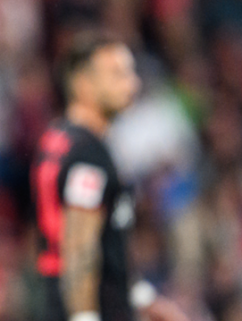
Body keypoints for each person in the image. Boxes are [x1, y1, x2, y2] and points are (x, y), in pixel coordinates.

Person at [31, 34, 188, 321]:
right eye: (117, 75)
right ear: (83, 84)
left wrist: (145, 299)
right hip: (94, 309)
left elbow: (106, 245)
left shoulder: (59, 139)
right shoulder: (88, 154)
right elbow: (79, 247)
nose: (132, 84)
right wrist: (84, 317)